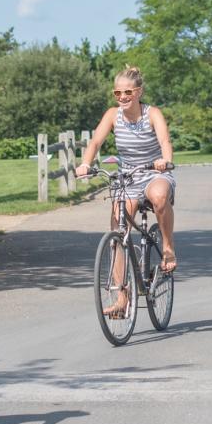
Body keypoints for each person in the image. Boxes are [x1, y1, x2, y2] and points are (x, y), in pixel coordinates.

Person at [75, 66, 176, 317]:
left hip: (154, 172)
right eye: (117, 92)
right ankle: (122, 298)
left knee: (159, 197)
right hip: (128, 176)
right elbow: (95, 141)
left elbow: (165, 141)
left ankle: (167, 248)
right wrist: (85, 163)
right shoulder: (112, 115)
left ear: (139, 92)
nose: (122, 97)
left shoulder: (153, 114)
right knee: (118, 233)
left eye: (128, 92)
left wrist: (165, 160)